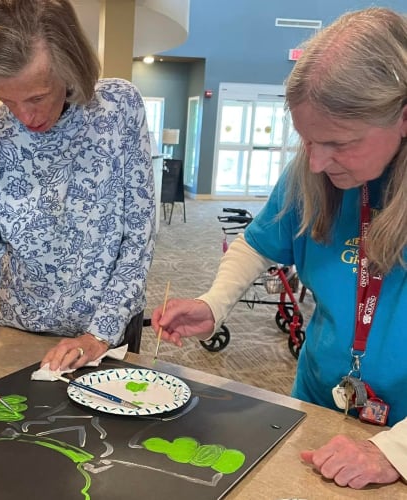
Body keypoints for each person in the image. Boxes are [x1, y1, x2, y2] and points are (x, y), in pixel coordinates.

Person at [152, 7, 407, 490]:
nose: (315, 162)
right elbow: (257, 242)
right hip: (319, 401)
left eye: (338, 142)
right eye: (307, 141)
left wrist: (394, 451)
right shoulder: (313, 173)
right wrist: (214, 303)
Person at [0, 0, 155, 383]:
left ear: (72, 67)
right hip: (20, 332)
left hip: (108, 330)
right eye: (7, 100)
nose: (26, 117)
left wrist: (98, 334)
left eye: (37, 96)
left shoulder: (119, 110)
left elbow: (137, 237)